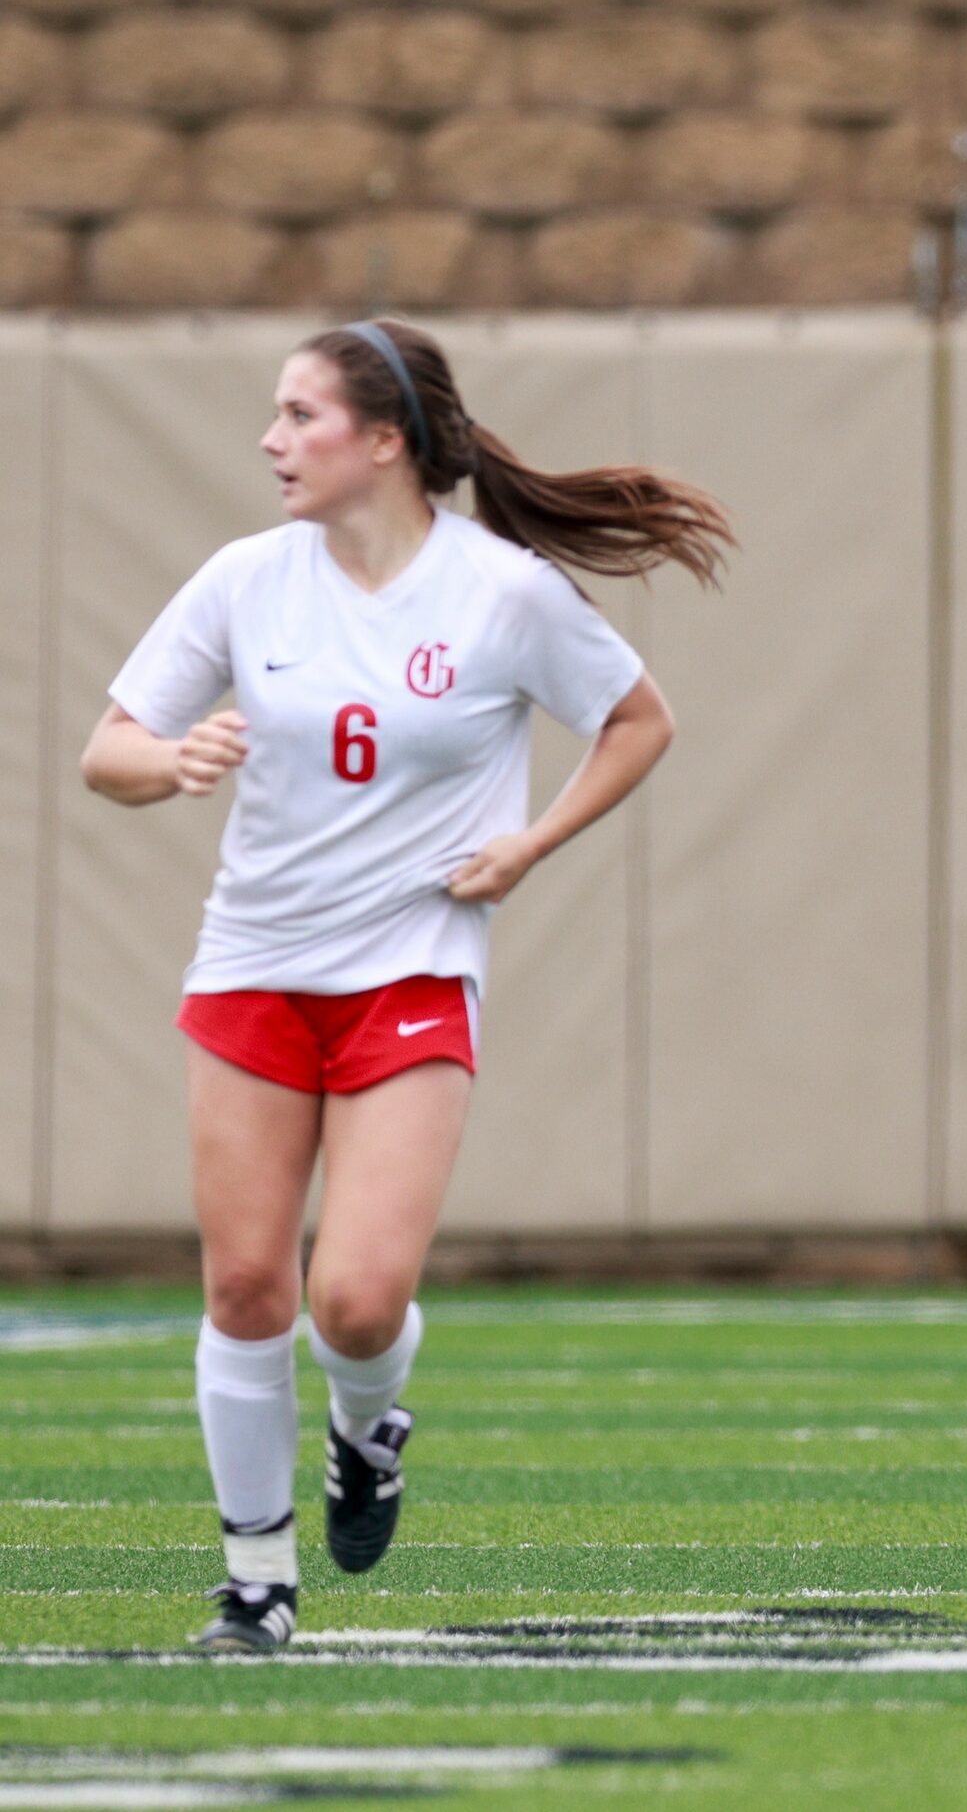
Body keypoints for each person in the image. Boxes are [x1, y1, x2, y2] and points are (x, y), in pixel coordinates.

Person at [82, 319, 731, 1651]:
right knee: (248, 1289)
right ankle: (256, 1585)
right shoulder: (245, 581)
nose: (272, 441)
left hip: (412, 972)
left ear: (384, 441)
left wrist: (531, 844)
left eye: (299, 415)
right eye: (275, 415)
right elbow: (110, 751)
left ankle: (365, 1429)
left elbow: (638, 718)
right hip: (255, 965)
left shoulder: (501, 592)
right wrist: (173, 761)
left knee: (357, 1301)